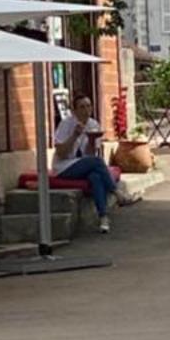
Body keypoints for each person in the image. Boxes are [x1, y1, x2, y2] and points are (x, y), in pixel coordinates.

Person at [51, 93, 121, 234]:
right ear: (74, 110)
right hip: (65, 166)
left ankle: (103, 217)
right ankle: (115, 191)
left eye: (88, 106)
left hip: (82, 164)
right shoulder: (66, 124)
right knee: (97, 162)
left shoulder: (93, 124)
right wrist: (75, 135)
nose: (86, 110)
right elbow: (61, 153)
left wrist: (91, 140)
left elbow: (88, 156)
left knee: (95, 176)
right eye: (82, 107)